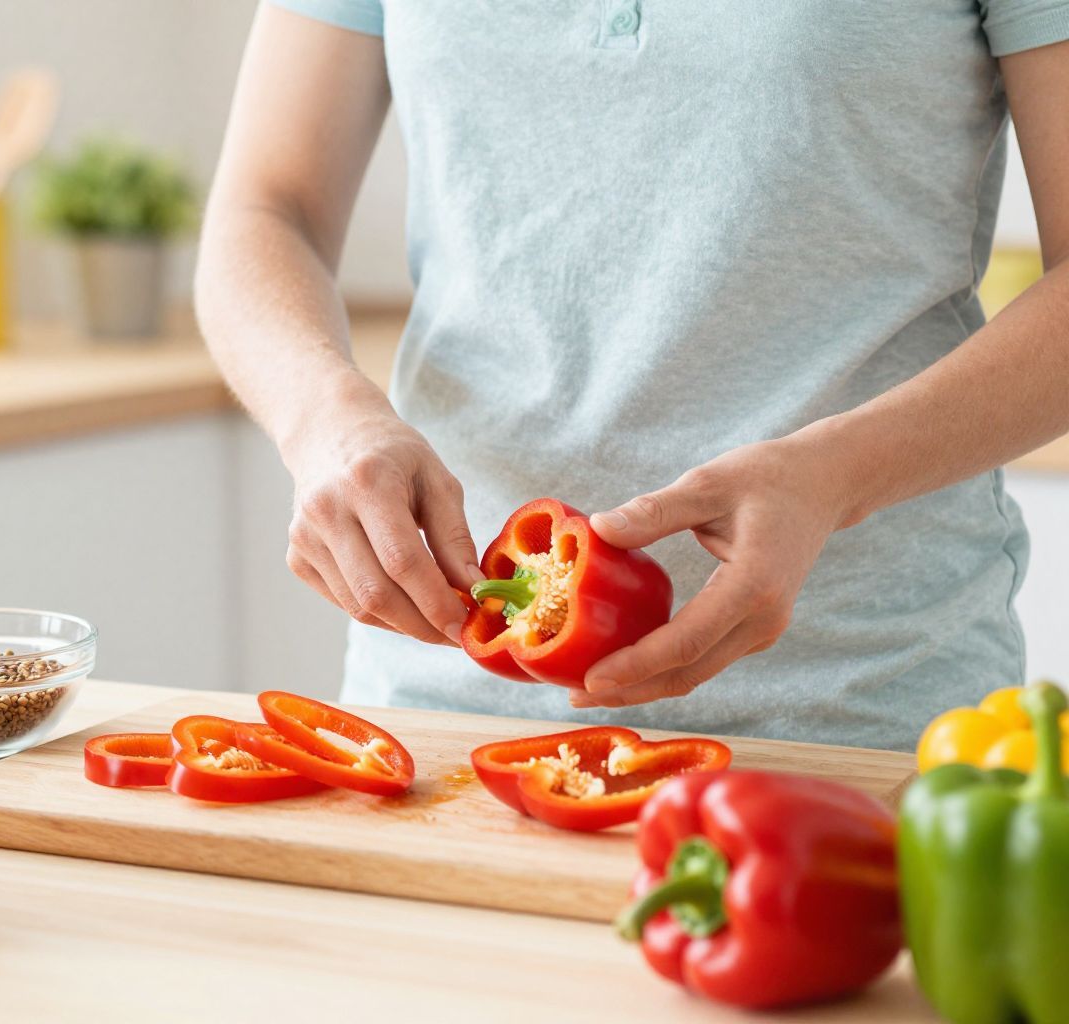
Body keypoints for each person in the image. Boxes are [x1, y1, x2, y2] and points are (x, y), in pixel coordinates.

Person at [195, 0, 1069, 749]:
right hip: (443, 712)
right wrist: (324, 417)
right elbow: (269, 205)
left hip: (861, 705)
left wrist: (838, 478)